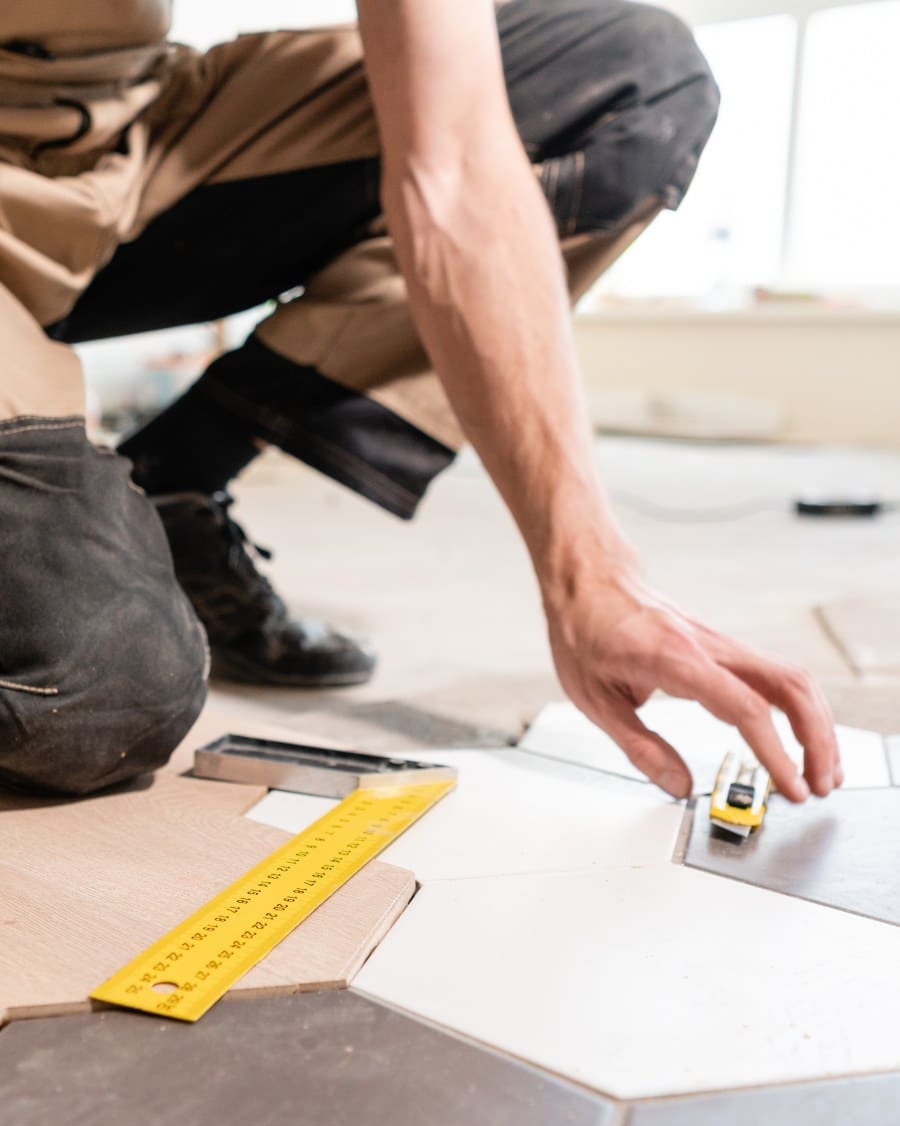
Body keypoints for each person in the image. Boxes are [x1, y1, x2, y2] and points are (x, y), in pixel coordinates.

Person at [0, 0, 841, 800]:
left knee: (628, 78)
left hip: (123, 124)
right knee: (90, 691)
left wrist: (589, 575)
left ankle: (173, 481)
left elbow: (459, 166)